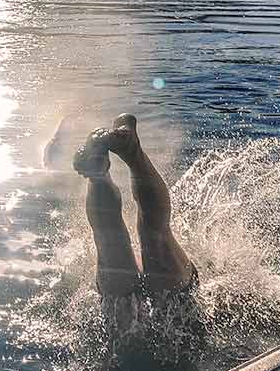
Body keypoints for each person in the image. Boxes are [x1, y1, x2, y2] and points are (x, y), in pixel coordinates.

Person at [73, 114, 198, 317]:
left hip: (118, 304)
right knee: (157, 235)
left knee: (108, 239)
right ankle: (132, 153)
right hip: (175, 293)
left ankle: (99, 176)